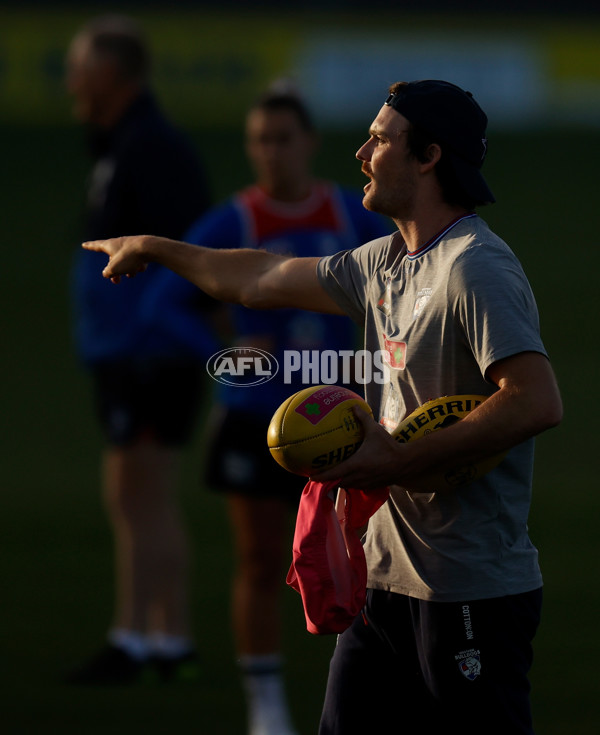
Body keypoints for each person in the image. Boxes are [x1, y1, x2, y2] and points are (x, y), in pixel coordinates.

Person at [82, 79, 563, 733]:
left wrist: (394, 459)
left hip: (468, 587)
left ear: (428, 156)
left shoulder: (474, 268)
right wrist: (158, 248)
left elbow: (535, 400)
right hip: (386, 581)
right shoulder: (384, 261)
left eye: (380, 140)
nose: (361, 153)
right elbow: (259, 279)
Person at [150, 88, 390, 735]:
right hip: (255, 416)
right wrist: (225, 351)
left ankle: (378, 687)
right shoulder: (236, 221)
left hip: (343, 414)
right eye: (259, 139)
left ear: (310, 142)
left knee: (371, 561)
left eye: (283, 137)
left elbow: (405, 276)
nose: (271, 151)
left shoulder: (349, 212)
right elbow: (164, 301)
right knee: (259, 560)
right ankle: (268, 707)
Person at [65, 15, 213, 684]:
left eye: (80, 69)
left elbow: (188, 253)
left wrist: (168, 334)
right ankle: (154, 635)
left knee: (144, 489)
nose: (70, 81)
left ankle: (153, 636)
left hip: (151, 354)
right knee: (135, 490)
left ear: (110, 75)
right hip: (132, 351)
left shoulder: (151, 148)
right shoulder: (123, 142)